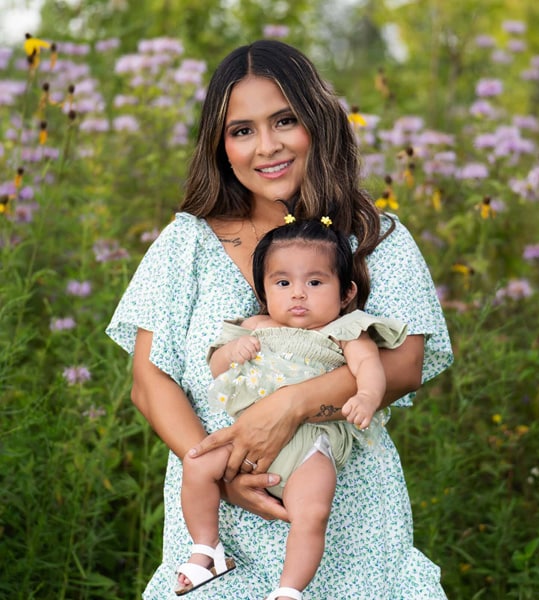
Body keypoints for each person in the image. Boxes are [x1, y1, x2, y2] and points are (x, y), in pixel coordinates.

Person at [106, 39, 453, 599]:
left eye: (285, 120)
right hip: (220, 530)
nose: (266, 146)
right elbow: (150, 383)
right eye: (242, 130)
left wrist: (288, 406)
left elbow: (406, 363)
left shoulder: (374, 238)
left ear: (317, 122)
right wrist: (222, 473)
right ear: (220, 146)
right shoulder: (186, 244)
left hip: (349, 520)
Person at [175, 216, 408, 597]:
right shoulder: (253, 325)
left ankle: (289, 589)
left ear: (346, 293)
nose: (298, 293)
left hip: (312, 442)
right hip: (247, 435)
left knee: (312, 512)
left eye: (315, 282)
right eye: (283, 283)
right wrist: (233, 351)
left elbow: (370, 367)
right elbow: (215, 364)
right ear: (265, 291)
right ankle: (207, 548)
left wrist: (366, 396)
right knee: (198, 463)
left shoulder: (345, 329)